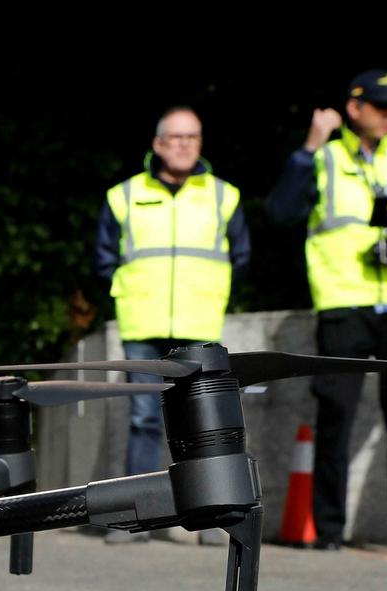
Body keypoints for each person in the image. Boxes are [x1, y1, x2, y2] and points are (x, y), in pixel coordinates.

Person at [269, 71, 387, 553]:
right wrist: (310, 145)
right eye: (381, 104)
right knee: (336, 415)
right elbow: (282, 211)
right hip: (344, 301)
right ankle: (328, 531)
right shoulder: (323, 158)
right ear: (354, 108)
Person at [93, 106, 250, 543]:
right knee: (143, 418)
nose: (183, 144)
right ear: (157, 144)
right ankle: (136, 517)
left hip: (199, 322)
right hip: (142, 320)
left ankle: (210, 519)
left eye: (192, 137)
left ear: (200, 143)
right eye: (175, 137)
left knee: (205, 423)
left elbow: (241, 257)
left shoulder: (224, 195)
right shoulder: (123, 195)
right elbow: (104, 259)